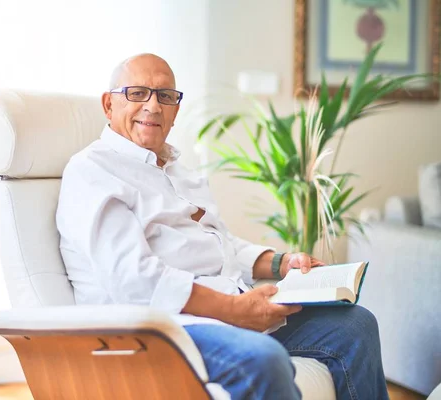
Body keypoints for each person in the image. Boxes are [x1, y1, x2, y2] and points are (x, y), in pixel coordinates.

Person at [56, 53, 388, 399]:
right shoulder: (91, 172)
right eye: (138, 93)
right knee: (262, 359)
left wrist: (280, 263)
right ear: (109, 104)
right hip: (157, 330)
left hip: (228, 313)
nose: (153, 106)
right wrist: (236, 311)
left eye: (166, 96)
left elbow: (221, 245)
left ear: (175, 110)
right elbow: (134, 280)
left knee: (355, 325)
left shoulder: (179, 171)